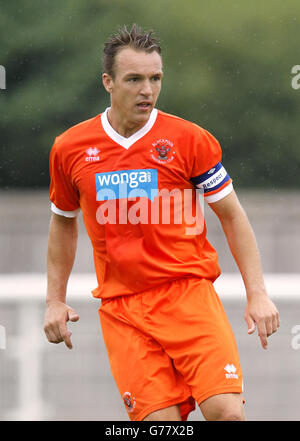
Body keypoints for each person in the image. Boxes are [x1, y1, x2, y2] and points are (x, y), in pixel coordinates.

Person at [44, 24, 280, 421]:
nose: (147, 90)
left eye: (155, 78)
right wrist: (55, 299)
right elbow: (63, 222)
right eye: (134, 79)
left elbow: (232, 216)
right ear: (108, 81)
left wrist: (257, 293)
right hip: (124, 310)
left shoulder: (189, 140)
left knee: (227, 412)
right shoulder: (70, 149)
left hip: (189, 296)